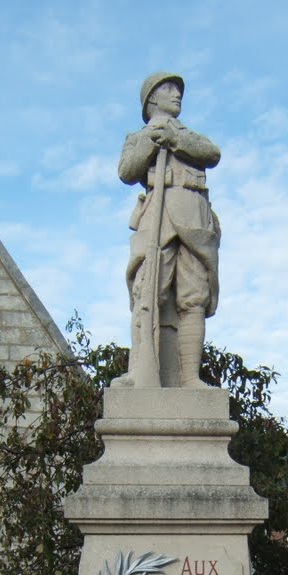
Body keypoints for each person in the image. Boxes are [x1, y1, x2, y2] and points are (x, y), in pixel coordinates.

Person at [117, 72, 221, 387]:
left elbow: (212, 154)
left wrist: (175, 139)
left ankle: (190, 377)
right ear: (151, 99)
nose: (176, 94)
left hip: (192, 213)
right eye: (168, 88)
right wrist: (151, 140)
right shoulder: (137, 137)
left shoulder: (191, 136)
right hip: (157, 216)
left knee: (193, 296)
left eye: (177, 89)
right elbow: (127, 171)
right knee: (147, 289)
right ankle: (140, 372)